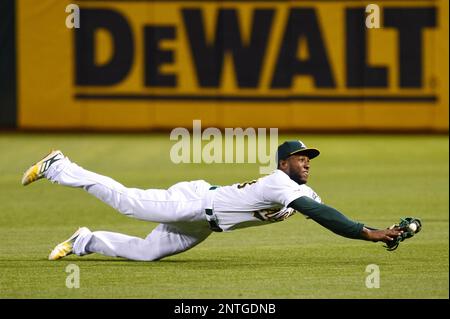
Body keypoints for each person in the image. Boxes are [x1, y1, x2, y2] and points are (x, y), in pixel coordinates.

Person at [21, 140, 405, 261]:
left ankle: (85, 241)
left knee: (146, 253)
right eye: (301, 157)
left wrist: (382, 230)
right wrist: (369, 235)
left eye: (310, 159)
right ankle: (59, 166)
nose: (307, 163)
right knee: (129, 204)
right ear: (283, 162)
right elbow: (321, 215)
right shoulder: (278, 183)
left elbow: (328, 212)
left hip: (204, 225)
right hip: (193, 201)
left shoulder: (301, 193)